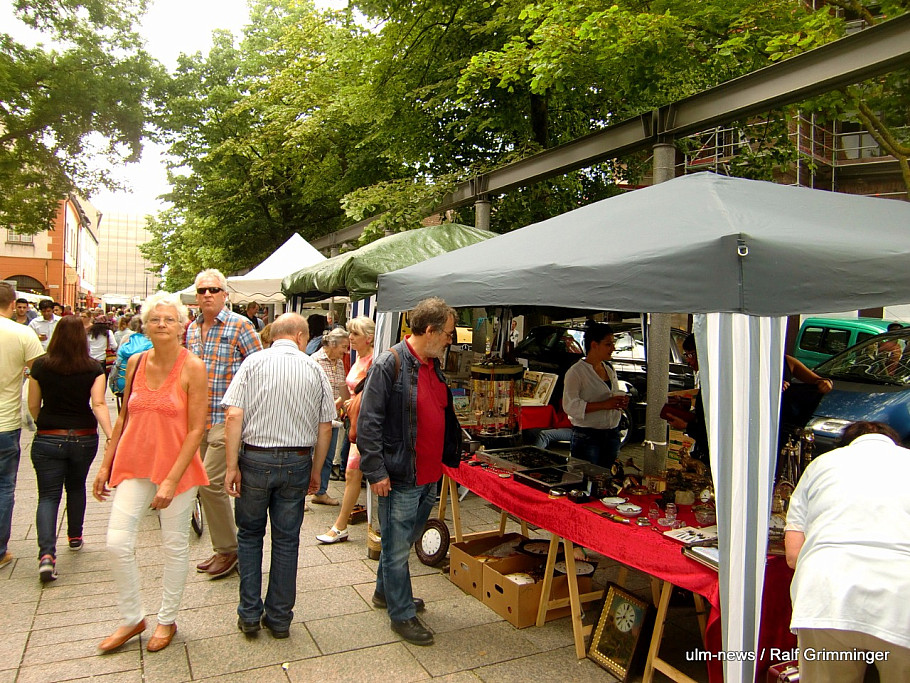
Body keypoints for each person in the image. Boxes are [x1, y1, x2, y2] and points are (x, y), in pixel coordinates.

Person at [92, 292, 208, 654]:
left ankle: (167, 618)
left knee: (174, 545)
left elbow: (196, 429)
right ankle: (132, 617)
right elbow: (124, 416)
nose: (162, 325)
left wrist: (171, 480)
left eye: (169, 319)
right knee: (116, 541)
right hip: (135, 462)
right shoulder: (137, 361)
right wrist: (106, 463)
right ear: (144, 325)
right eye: (155, 319)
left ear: (182, 325)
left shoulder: (193, 366)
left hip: (178, 468)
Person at [358, 297, 462, 646]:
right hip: (401, 475)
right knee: (397, 546)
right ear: (429, 330)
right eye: (447, 334)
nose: (450, 340)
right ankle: (401, 614)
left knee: (401, 539)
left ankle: (385, 592)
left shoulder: (433, 365)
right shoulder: (390, 363)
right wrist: (376, 471)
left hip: (429, 474)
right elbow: (369, 422)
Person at [223, 313, 334, 639]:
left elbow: (233, 415)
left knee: (249, 535)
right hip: (297, 461)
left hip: (255, 459)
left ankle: (249, 614)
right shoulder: (314, 368)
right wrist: (316, 470)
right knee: (286, 541)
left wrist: (231, 466)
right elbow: (325, 426)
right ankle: (280, 618)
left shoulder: (252, 363)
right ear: (300, 336)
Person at [785, 421, 910, 682]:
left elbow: (793, 556)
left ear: (845, 444)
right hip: (901, 596)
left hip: (825, 593)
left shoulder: (820, 465)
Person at [186, 269, 262, 580]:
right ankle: (227, 547)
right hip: (197, 420)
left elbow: (259, 368)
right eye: (202, 290)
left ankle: (228, 550)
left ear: (225, 294)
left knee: (210, 483)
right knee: (203, 483)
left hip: (226, 417)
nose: (207, 294)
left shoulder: (240, 325)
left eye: (213, 289)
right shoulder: (192, 329)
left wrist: (248, 413)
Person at [27, 316, 114, 581]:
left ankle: (46, 555)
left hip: (48, 436)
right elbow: (98, 404)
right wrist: (111, 435)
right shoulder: (93, 367)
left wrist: (43, 423)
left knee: (47, 496)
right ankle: (75, 535)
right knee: (76, 486)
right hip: (83, 436)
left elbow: (33, 404)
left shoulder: (40, 366)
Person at [317, 315, 375, 544]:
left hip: (364, 426)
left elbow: (373, 394)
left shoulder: (373, 360)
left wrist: (353, 402)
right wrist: (339, 403)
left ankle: (341, 526)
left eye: (355, 334)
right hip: (354, 424)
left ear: (368, 338)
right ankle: (343, 526)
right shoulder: (358, 358)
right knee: (352, 474)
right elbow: (352, 390)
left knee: (353, 473)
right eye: (350, 333)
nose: (350, 338)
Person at [0, 282, 45, 569]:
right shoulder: (23, 333)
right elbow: (40, 374)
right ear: (12, 304)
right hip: (5, 422)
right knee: (4, 486)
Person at [561, 321, 630, 468]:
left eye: (613, 344)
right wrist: (604, 405)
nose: (613, 348)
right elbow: (570, 406)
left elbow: (611, 396)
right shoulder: (576, 372)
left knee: (607, 475)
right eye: (608, 344)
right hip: (588, 436)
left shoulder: (609, 369)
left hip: (611, 433)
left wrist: (620, 402)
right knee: (587, 476)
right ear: (594, 345)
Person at [310, 327, 351, 506]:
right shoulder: (315, 360)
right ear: (333, 344)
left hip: (334, 417)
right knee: (312, 456)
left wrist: (342, 401)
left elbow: (342, 386)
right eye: (343, 346)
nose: (346, 351)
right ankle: (301, 494)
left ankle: (320, 492)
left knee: (327, 456)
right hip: (317, 417)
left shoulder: (339, 362)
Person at [664, 334, 709, 467]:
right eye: (686, 355)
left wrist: (686, 425)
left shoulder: (714, 382)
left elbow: (709, 427)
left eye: (691, 355)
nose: (688, 361)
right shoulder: (706, 379)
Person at [109, 317, 153, 397]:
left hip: (122, 383)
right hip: (142, 385)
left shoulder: (127, 339)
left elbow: (118, 356)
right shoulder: (152, 341)